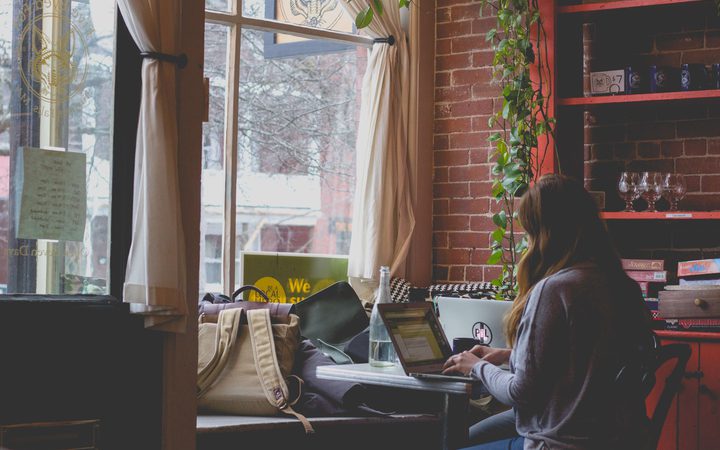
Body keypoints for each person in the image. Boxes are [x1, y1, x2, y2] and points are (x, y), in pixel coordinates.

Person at [442, 174, 653, 450]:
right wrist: (508, 355)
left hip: (561, 439)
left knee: (450, 440)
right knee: (465, 436)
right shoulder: (621, 285)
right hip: (612, 436)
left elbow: (520, 393)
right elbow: (586, 358)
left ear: (546, 234)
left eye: (530, 231)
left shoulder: (556, 290)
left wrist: (476, 367)